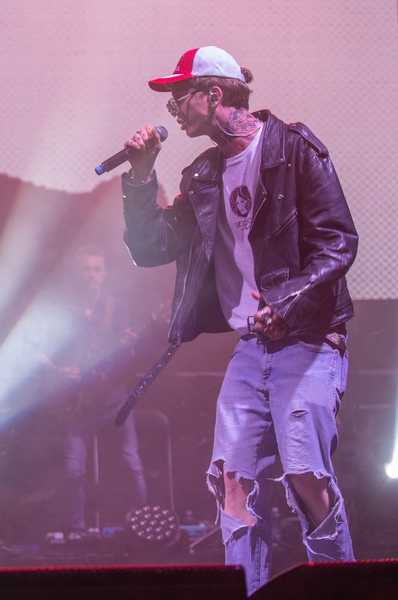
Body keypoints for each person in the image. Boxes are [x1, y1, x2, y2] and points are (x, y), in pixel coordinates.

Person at [118, 46, 357, 593]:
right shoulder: (203, 174)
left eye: (180, 97)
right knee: (232, 482)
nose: (173, 109)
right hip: (252, 347)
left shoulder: (294, 149)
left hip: (310, 338)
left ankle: (344, 587)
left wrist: (286, 303)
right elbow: (151, 248)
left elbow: (338, 242)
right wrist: (141, 175)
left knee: (306, 477)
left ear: (213, 94)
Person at [36, 246, 147, 540]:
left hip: (113, 399)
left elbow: (126, 357)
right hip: (78, 402)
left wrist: (129, 347)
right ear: (76, 273)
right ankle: (76, 531)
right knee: (74, 470)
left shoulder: (115, 308)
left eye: (97, 269)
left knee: (131, 463)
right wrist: (58, 371)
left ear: (105, 273)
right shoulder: (63, 311)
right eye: (87, 269)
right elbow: (35, 348)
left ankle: (144, 526)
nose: (92, 275)